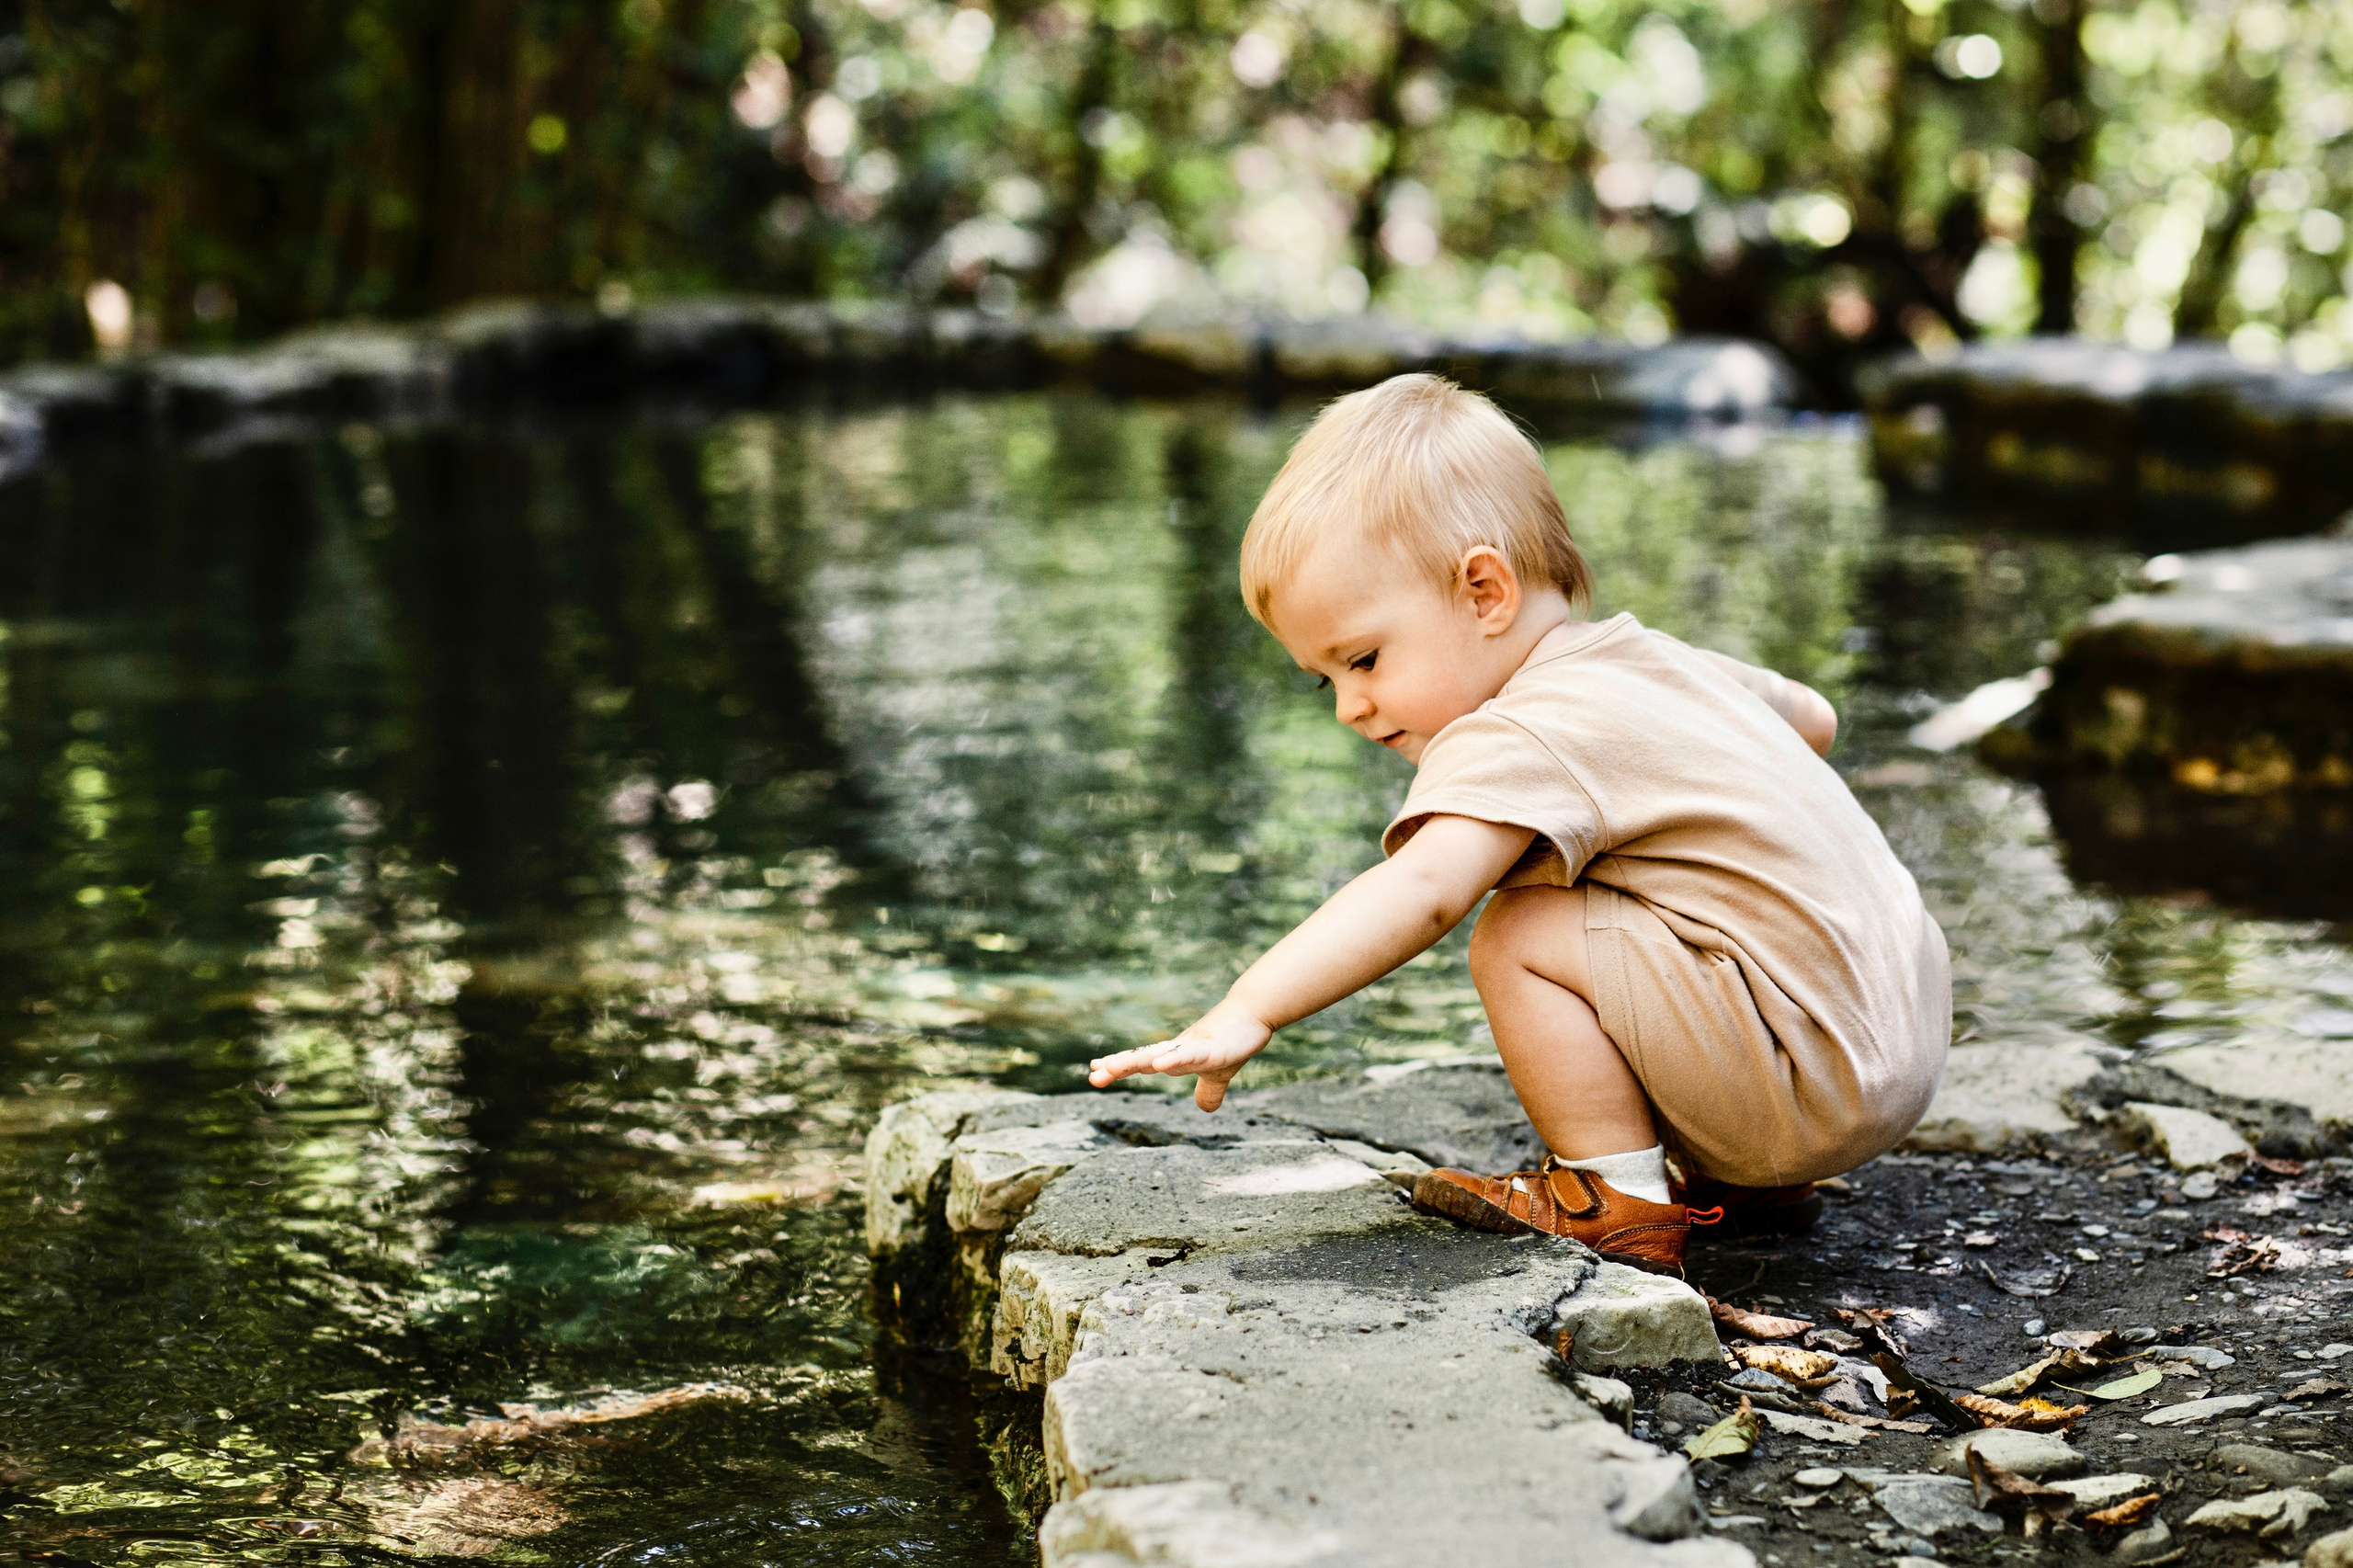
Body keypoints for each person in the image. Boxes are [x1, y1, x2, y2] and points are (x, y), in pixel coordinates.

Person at [1086, 373, 1950, 1274]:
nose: (1349, 705)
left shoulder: (1523, 723)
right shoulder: (1649, 659)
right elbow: (1812, 718)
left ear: (1485, 590)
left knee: (1520, 931)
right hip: (1898, 1044)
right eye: (1324, 678)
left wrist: (1249, 1006)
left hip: (1806, 1081)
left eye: (1364, 658)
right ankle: (1753, 1173)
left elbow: (1422, 891)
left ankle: (1613, 1199)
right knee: (1627, 895)